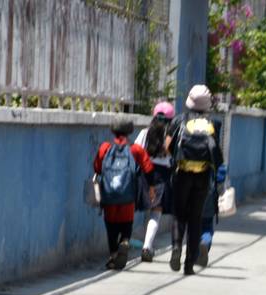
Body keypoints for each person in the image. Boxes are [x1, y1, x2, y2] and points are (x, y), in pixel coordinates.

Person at [165, 85, 224, 275]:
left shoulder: (179, 120)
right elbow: (215, 151)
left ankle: (176, 247)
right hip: (203, 176)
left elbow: (168, 147)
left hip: (182, 173)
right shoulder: (214, 123)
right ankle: (189, 264)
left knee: (179, 215)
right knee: (195, 218)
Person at [94, 119, 154, 270]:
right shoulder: (135, 149)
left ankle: (113, 255)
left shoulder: (105, 147)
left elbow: (97, 167)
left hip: (109, 194)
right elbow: (148, 169)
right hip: (128, 195)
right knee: (126, 224)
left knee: (111, 226)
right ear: (130, 131)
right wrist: (151, 187)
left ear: (113, 130)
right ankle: (125, 241)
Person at [134, 101, 175, 263]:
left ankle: (124, 241)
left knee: (135, 209)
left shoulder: (144, 133)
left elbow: (136, 151)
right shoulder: (170, 137)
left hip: (145, 173)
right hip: (162, 175)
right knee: (156, 213)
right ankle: (147, 246)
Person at [196, 164, 229, 268]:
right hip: (210, 195)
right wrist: (220, 190)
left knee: (193, 226)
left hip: (193, 193)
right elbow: (221, 174)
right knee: (207, 226)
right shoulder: (215, 156)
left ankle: (195, 255)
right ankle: (205, 243)